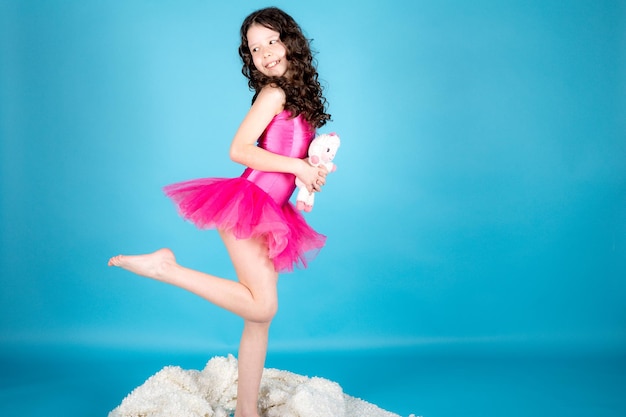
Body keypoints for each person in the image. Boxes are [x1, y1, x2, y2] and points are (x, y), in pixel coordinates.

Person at [108, 7, 332, 417]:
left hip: (274, 211)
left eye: (271, 41)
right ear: (249, 56)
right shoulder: (272, 93)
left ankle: (246, 411)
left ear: (290, 41)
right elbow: (240, 150)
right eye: (255, 47)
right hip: (250, 205)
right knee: (263, 306)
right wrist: (297, 166)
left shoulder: (295, 93)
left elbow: (287, 154)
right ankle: (166, 268)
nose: (265, 52)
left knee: (258, 319)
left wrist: (308, 172)